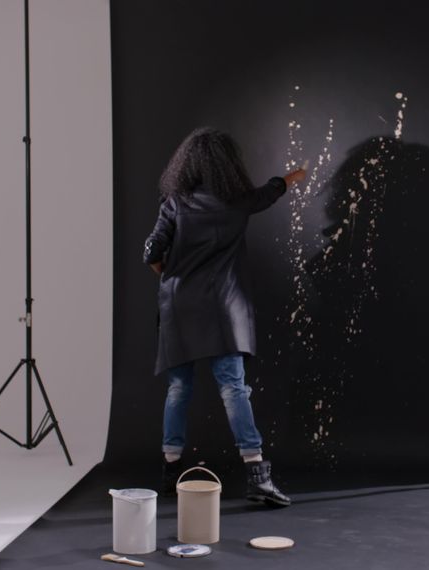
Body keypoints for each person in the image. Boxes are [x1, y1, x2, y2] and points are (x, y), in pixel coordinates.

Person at [143, 127, 305, 507]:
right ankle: (256, 475)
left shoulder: (175, 201)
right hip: (224, 305)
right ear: (227, 163)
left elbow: (151, 250)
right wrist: (291, 178)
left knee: (179, 388)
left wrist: (168, 271)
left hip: (180, 303)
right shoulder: (238, 201)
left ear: (187, 164)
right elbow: (268, 193)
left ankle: (170, 471)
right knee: (233, 387)